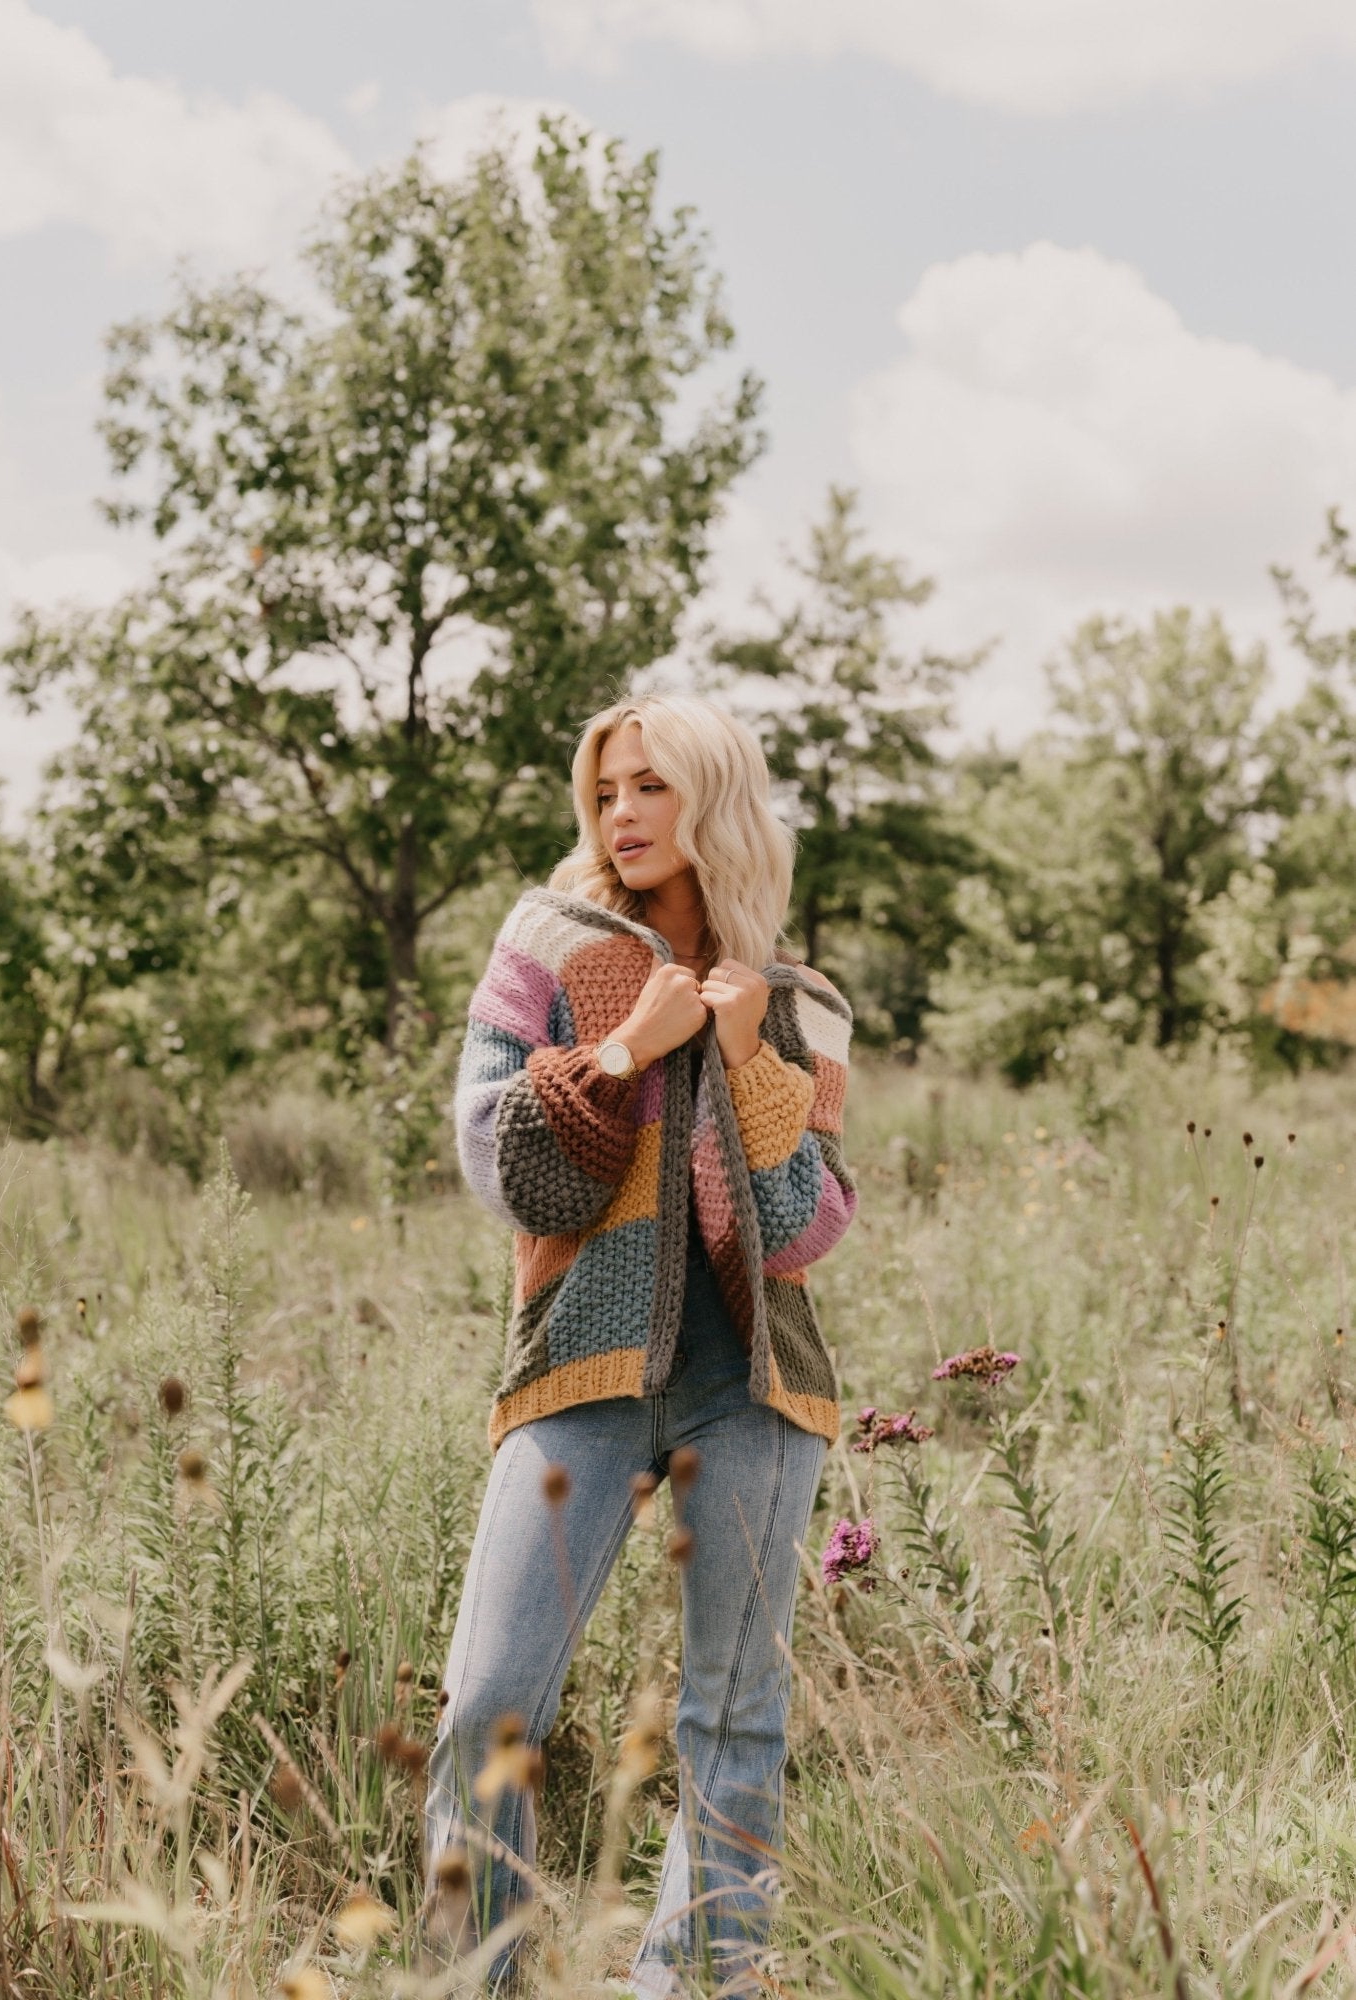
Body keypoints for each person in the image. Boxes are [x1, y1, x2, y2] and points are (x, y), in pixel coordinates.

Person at [424, 692, 859, 1996]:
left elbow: (807, 1229)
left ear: (714, 799)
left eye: (652, 786)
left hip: (754, 1390)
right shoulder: (547, 948)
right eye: (606, 790)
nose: (621, 813)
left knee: (734, 1715)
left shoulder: (801, 1001)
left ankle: (695, 1982)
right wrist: (626, 1048)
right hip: (581, 1372)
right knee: (489, 1703)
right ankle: (478, 1978)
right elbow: (503, 1170)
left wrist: (748, 1055)